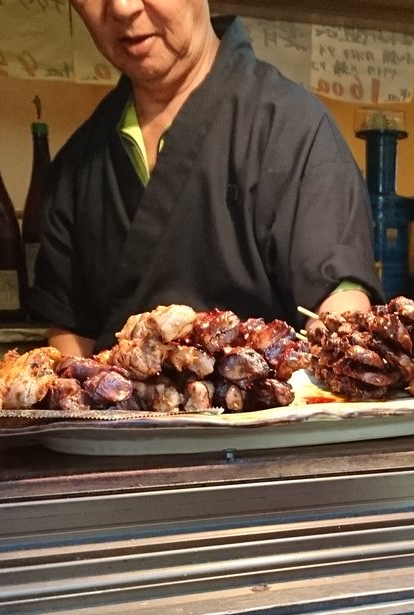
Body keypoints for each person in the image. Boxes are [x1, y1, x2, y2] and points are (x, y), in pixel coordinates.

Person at [31, 0, 381, 356]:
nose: (122, 8)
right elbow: (71, 327)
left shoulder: (293, 127)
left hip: (266, 405)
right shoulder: (78, 162)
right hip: (114, 409)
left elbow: (341, 305)